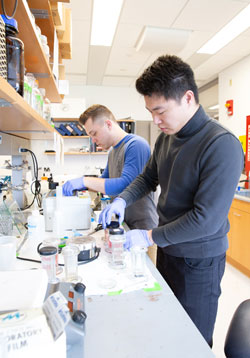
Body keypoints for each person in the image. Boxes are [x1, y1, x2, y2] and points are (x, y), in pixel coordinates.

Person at [99, 55, 244, 346]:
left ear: (188, 98)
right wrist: (122, 201)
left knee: (192, 340)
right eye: (150, 111)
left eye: (160, 111)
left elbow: (205, 220)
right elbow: (147, 178)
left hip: (198, 260)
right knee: (167, 326)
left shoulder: (221, 144)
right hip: (168, 248)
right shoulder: (167, 137)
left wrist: (149, 235)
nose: (155, 120)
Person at [62, 104, 158, 230]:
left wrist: (84, 181)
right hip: (124, 223)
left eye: (94, 133)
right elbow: (104, 181)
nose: (93, 140)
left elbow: (126, 184)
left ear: (108, 124)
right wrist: (79, 186)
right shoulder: (113, 152)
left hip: (143, 228)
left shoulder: (136, 145)